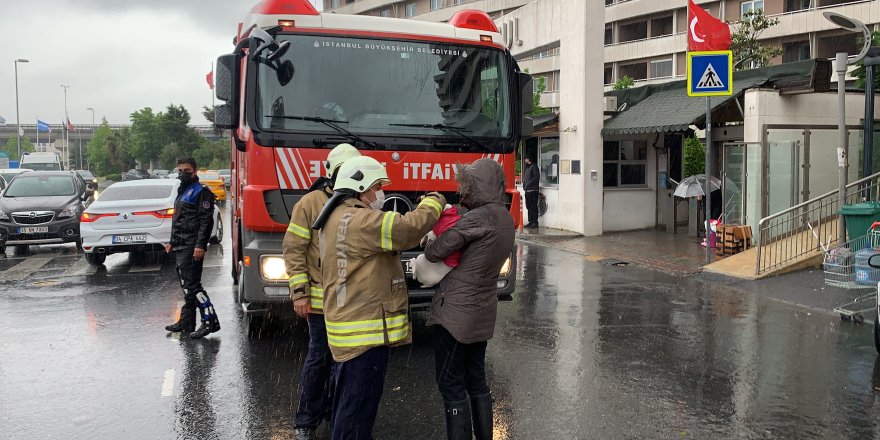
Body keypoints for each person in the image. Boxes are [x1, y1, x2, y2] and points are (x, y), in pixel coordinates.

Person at [313, 156, 446, 440]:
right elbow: (406, 229)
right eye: (377, 188)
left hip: (350, 328)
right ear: (361, 188)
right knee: (356, 412)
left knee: (349, 406)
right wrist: (434, 201)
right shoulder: (360, 220)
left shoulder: (338, 215)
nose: (380, 194)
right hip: (364, 335)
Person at [424, 158, 515, 440]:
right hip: (482, 313)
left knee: (450, 383)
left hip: (456, 315)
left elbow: (436, 251)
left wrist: (428, 240)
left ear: (479, 186)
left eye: (468, 186)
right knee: (477, 381)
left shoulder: (479, 217)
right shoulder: (504, 217)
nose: (463, 192)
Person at [282, 143, 361, 440]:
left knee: (345, 361)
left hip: (350, 300)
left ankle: (333, 413)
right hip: (319, 300)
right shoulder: (311, 203)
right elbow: (294, 250)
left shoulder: (361, 202)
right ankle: (306, 420)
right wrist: (300, 292)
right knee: (320, 357)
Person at [164, 157, 219, 339]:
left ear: (194, 171)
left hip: (192, 246)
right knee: (187, 287)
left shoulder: (201, 192)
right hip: (180, 245)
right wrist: (171, 241)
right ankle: (187, 321)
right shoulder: (183, 191)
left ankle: (210, 320)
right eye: (179, 170)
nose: (182, 174)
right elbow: (177, 220)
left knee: (193, 287)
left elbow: (206, 221)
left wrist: (200, 245)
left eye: (186, 170)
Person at [411, 204, 461, 288]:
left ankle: (416, 269)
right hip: (453, 265)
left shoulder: (440, 222)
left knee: (421, 259)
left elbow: (437, 236)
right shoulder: (456, 218)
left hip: (444, 265)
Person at [523, 155, 540, 229]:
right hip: (527, 191)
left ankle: (535, 222)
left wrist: (528, 184)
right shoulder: (527, 167)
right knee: (528, 207)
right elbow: (525, 179)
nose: (525, 160)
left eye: (525, 158)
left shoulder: (534, 167)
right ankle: (530, 222)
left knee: (533, 207)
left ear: (529, 159)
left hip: (533, 190)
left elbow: (536, 178)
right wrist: (524, 186)